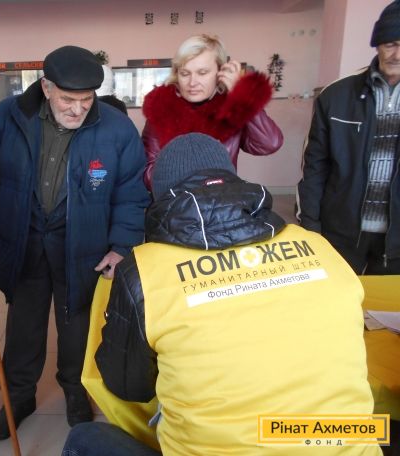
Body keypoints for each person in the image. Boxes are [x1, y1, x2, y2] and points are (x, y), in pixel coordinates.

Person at [63, 133, 380, 455]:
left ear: (161, 197)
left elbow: (128, 386)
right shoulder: (317, 245)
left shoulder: (145, 269)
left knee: (84, 438)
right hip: (349, 445)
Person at [0, 45, 149, 439]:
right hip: (23, 241)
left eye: (86, 99)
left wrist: (121, 245)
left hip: (84, 245)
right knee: (24, 326)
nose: (78, 109)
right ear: (46, 87)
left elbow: (131, 194)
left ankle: (75, 391)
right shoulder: (8, 118)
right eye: (68, 99)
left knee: (77, 326)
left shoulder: (117, 129)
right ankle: (19, 397)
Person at [297, 0, 400, 275]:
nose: (397, 54)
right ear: (377, 44)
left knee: (388, 303)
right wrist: (310, 226)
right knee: (333, 297)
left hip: (396, 241)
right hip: (340, 230)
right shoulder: (336, 95)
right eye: (390, 44)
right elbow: (314, 166)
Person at [141, 34, 283, 191]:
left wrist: (243, 97)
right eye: (185, 73)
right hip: (175, 202)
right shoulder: (162, 108)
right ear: (176, 74)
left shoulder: (232, 109)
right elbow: (148, 175)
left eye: (202, 73)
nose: (192, 82)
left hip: (221, 200)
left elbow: (269, 144)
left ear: (220, 72)